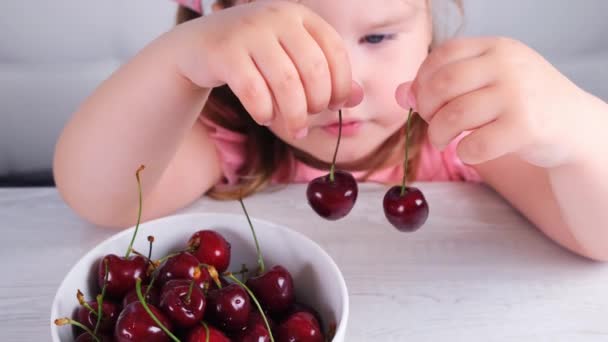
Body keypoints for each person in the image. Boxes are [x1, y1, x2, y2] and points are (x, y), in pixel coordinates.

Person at [53, 0, 608, 261]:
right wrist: (180, 60)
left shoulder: (458, 126)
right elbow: (101, 197)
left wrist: (579, 128)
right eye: (294, 44)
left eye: (378, 39)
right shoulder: (233, 134)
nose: (343, 86)